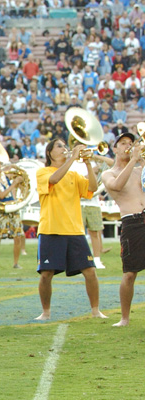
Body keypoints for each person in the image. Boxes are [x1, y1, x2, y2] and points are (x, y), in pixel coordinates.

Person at [34, 139, 106, 321]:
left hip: (74, 229)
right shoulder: (43, 172)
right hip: (51, 229)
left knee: (90, 271)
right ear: (49, 152)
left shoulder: (74, 174)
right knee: (46, 274)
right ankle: (46, 312)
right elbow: (55, 179)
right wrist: (73, 157)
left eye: (65, 146)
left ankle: (96, 310)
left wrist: (88, 164)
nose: (64, 149)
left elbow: (93, 188)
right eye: (59, 146)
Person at [100, 134, 144, 327]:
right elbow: (116, 186)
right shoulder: (109, 173)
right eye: (123, 143)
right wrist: (134, 159)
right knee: (130, 273)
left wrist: (140, 161)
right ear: (115, 149)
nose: (128, 146)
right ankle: (124, 318)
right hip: (132, 222)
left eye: (131, 143)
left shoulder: (139, 169)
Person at [0, 159, 25, 269]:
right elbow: (1, 195)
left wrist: (15, 167)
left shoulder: (5, 175)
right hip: (1, 209)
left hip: (13, 207)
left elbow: (23, 175)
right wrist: (14, 184)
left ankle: (16, 263)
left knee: (17, 236)